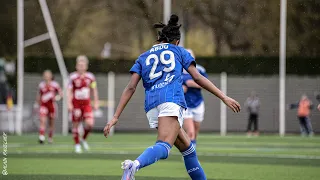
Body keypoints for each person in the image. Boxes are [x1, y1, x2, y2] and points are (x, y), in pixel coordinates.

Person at [103, 14, 241, 180]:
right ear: (176, 41)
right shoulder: (178, 51)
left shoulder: (143, 57)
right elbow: (197, 77)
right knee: (164, 146)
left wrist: (115, 117)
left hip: (152, 105)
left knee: (189, 150)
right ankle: (134, 165)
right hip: (171, 101)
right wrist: (223, 97)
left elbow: (131, 87)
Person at [68, 55, 99, 153]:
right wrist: (69, 103)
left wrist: (96, 101)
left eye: (83, 65)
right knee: (76, 125)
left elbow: (94, 90)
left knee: (90, 123)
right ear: (76, 66)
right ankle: (77, 145)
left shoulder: (90, 77)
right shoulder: (72, 77)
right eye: (79, 65)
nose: (81, 67)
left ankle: (83, 139)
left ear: (86, 66)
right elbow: (69, 90)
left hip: (86, 104)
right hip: (76, 104)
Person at [182, 49, 207, 148]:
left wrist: (192, 83)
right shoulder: (177, 70)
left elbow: (205, 84)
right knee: (190, 132)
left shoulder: (200, 70)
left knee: (195, 132)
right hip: (185, 105)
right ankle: (190, 155)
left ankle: (191, 150)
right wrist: (180, 89)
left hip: (198, 103)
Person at [36, 70, 62, 144]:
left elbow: (60, 93)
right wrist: (37, 103)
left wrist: (58, 97)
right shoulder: (41, 85)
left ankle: (50, 137)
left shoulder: (55, 84)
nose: (46, 77)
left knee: (51, 123)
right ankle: (41, 136)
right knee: (43, 120)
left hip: (52, 106)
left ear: (51, 76)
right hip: (44, 105)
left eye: (48, 75)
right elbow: (39, 95)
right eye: (45, 75)